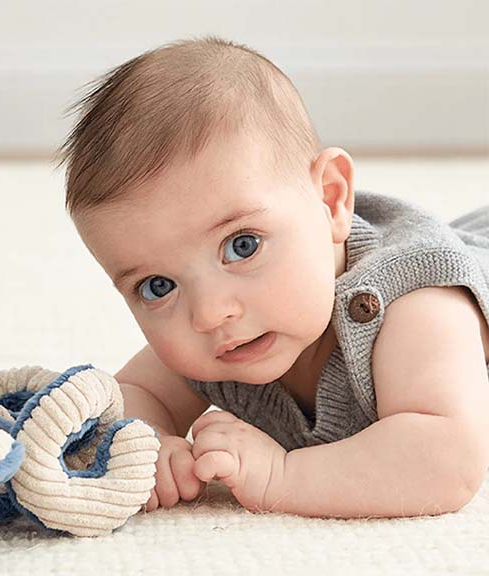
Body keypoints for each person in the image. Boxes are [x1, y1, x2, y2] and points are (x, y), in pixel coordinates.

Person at [60, 36, 489, 517]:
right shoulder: (213, 339)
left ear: (331, 200)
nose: (209, 313)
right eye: (158, 286)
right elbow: (133, 395)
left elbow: (447, 459)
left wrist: (282, 476)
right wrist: (146, 444)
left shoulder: (417, 299)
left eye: (241, 246)